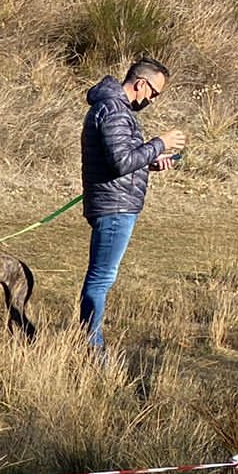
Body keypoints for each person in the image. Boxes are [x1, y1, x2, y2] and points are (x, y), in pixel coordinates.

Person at [77, 57, 185, 361]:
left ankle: (88, 344)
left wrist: (149, 162)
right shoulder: (113, 110)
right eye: (153, 93)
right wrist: (159, 143)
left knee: (100, 277)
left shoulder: (115, 109)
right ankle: (92, 351)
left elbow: (123, 158)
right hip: (113, 208)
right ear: (140, 83)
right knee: (100, 279)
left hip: (114, 203)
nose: (152, 100)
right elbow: (121, 161)